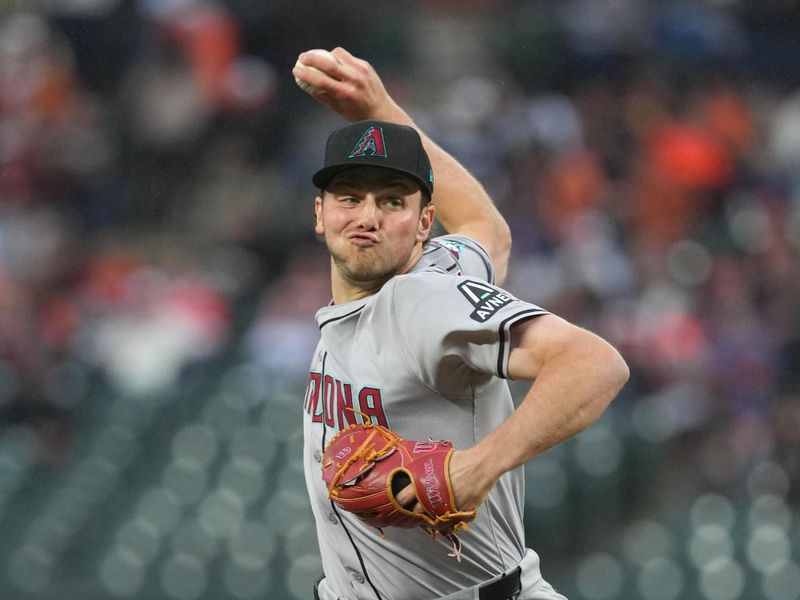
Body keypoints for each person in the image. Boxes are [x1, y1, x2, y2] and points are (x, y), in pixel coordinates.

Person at [294, 48, 629, 600]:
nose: (367, 217)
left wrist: (474, 470)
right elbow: (484, 228)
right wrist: (377, 108)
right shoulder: (442, 265)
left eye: (392, 201)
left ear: (424, 220)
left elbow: (595, 364)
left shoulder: (423, 299)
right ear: (320, 213)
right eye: (349, 197)